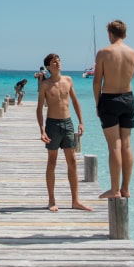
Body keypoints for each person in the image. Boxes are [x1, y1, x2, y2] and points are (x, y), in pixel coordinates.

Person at [36, 53, 92, 212]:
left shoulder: (68, 80)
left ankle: (75, 200)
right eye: (54, 62)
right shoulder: (45, 85)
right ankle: (51, 200)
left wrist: (81, 122)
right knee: (52, 162)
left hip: (68, 123)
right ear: (48, 66)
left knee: (72, 161)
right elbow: (39, 109)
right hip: (52, 125)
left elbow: (75, 101)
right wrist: (41, 130)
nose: (57, 64)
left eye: (59, 61)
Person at [93, 19, 134, 199]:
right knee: (126, 145)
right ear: (125, 35)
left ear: (110, 34)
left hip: (110, 99)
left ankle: (114, 189)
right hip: (128, 98)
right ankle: (125, 188)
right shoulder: (133, 53)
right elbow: (131, 76)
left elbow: (97, 81)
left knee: (114, 146)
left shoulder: (104, 52)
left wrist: (98, 104)